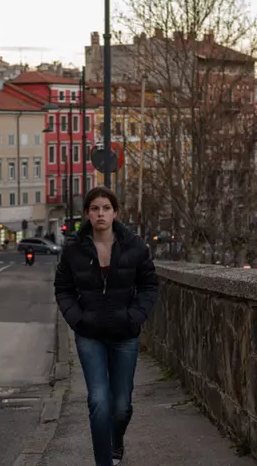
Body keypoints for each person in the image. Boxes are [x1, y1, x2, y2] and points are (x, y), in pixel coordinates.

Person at [54, 187, 159, 466]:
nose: (100, 214)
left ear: (115, 213)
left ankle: (117, 441)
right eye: (95, 209)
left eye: (106, 208)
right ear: (87, 213)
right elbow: (63, 289)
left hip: (125, 335)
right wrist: (78, 319)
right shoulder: (74, 249)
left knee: (122, 407)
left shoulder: (134, 246)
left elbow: (149, 286)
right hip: (90, 336)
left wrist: (134, 316)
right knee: (99, 402)